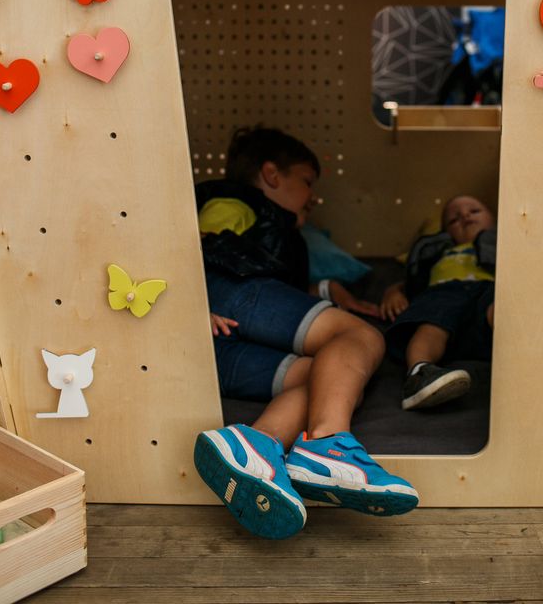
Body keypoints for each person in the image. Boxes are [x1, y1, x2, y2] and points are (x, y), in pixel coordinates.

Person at [193, 126, 418, 540]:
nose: (312, 197)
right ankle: (328, 443)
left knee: (331, 381)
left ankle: (256, 448)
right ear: (271, 175)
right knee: (364, 338)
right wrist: (194, 305)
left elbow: (279, 283)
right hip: (224, 296)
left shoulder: (278, 230)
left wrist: (331, 291)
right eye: (307, 182)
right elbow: (201, 250)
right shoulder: (237, 201)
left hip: (222, 348)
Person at [380, 194, 496, 411]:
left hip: (488, 295)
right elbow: (409, 282)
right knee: (433, 320)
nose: (464, 216)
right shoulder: (437, 252)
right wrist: (392, 291)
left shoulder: (506, 244)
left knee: (504, 308)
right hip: (446, 291)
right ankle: (420, 374)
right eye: (454, 219)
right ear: (446, 232)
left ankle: (523, 367)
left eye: (474, 211)